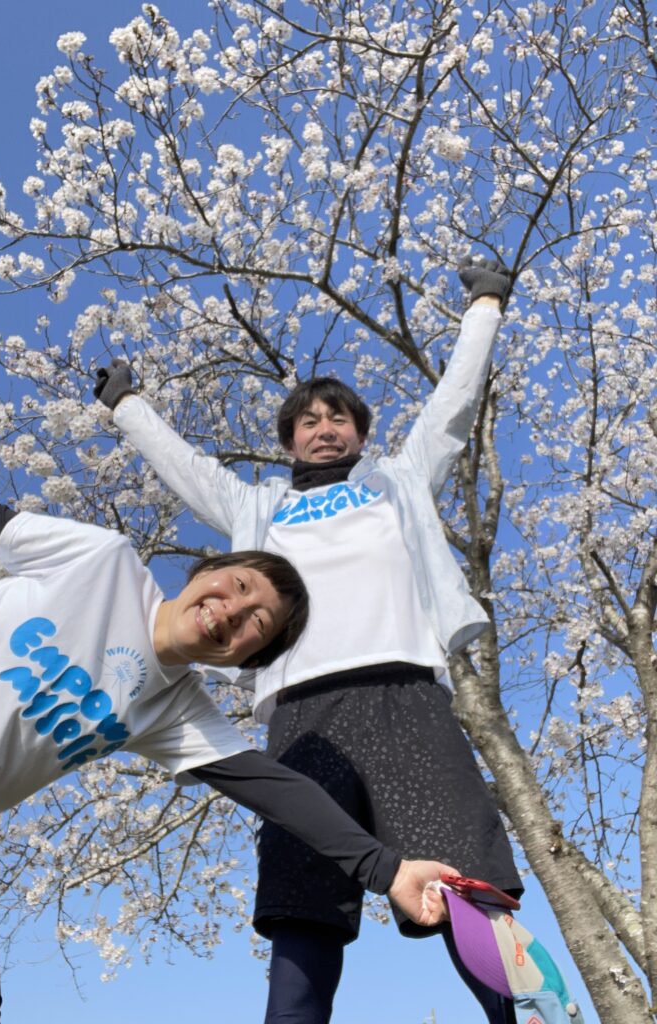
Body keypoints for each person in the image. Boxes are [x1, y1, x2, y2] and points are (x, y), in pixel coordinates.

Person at [93, 256, 523, 1023]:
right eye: (308, 422)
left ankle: (518, 1015)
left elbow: (455, 403)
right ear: (290, 439)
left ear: (360, 432)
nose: (325, 430)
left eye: (339, 419)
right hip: (300, 714)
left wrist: (486, 304)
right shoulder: (256, 509)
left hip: (404, 698)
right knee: (301, 901)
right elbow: (183, 467)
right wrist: (126, 404)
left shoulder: (398, 481)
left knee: (464, 883)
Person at [0, 454, 456, 1024]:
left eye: (257, 624)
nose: (232, 611)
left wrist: (391, 871)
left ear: (246, 658)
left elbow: (280, 791)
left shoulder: (177, 713)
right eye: (238, 585)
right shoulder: (100, 561)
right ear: (206, 571)